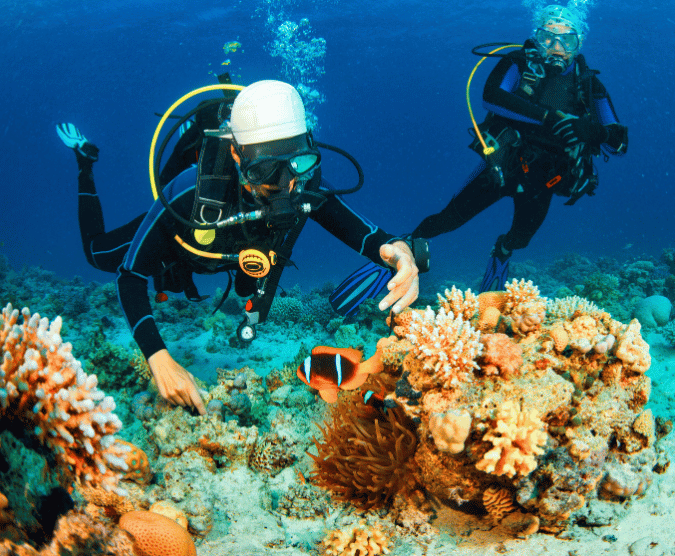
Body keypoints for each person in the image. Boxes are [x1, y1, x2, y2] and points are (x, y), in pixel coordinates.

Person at [57, 80, 427, 414]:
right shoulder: (188, 193)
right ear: (237, 156)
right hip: (181, 247)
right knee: (98, 255)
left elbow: (367, 236)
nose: (286, 185)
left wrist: (400, 253)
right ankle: (84, 164)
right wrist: (158, 357)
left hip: (242, 258)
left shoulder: (306, 185)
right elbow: (130, 276)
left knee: (256, 278)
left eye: (297, 163)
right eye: (266, 170)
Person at [411, 4, 628, 292]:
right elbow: (491, 97)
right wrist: (548, 117)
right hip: (503, 165)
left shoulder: (589, 86)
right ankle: (401, 248)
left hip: (546, 179)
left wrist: (593, 131)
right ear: (537, 39)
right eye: (548, 38)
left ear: (579, 43)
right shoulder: (519, 63)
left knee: (521, 239)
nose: (556, 47)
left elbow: (620, 144)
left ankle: (501, 252)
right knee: (448, 219)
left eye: (567, 40)